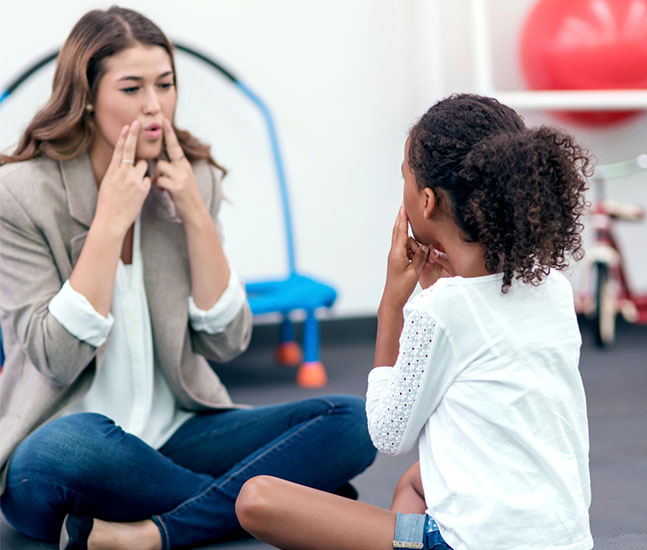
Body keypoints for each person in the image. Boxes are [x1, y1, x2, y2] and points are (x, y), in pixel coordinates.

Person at [0, 7, 376, 550]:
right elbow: (55, 358)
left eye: (166, 84)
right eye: (132, 88)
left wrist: (195, 215)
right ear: (85, 96)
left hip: (174, 436)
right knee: (70, 449)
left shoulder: (191, 178)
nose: (155, 106)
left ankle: (156, 532)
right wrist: (109, 222)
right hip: (66, 445)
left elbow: (226, 342)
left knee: (352, 421)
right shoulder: (20, 194)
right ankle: (275, 504)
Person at [235, 94, 594, 550]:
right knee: (417, 481)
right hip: (566, 540)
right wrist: (436, 292)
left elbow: (387, 434)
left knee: (257, 498)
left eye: (404, 176)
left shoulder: (438, 310)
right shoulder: (553, 289)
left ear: (426, 201)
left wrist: (392, 306)